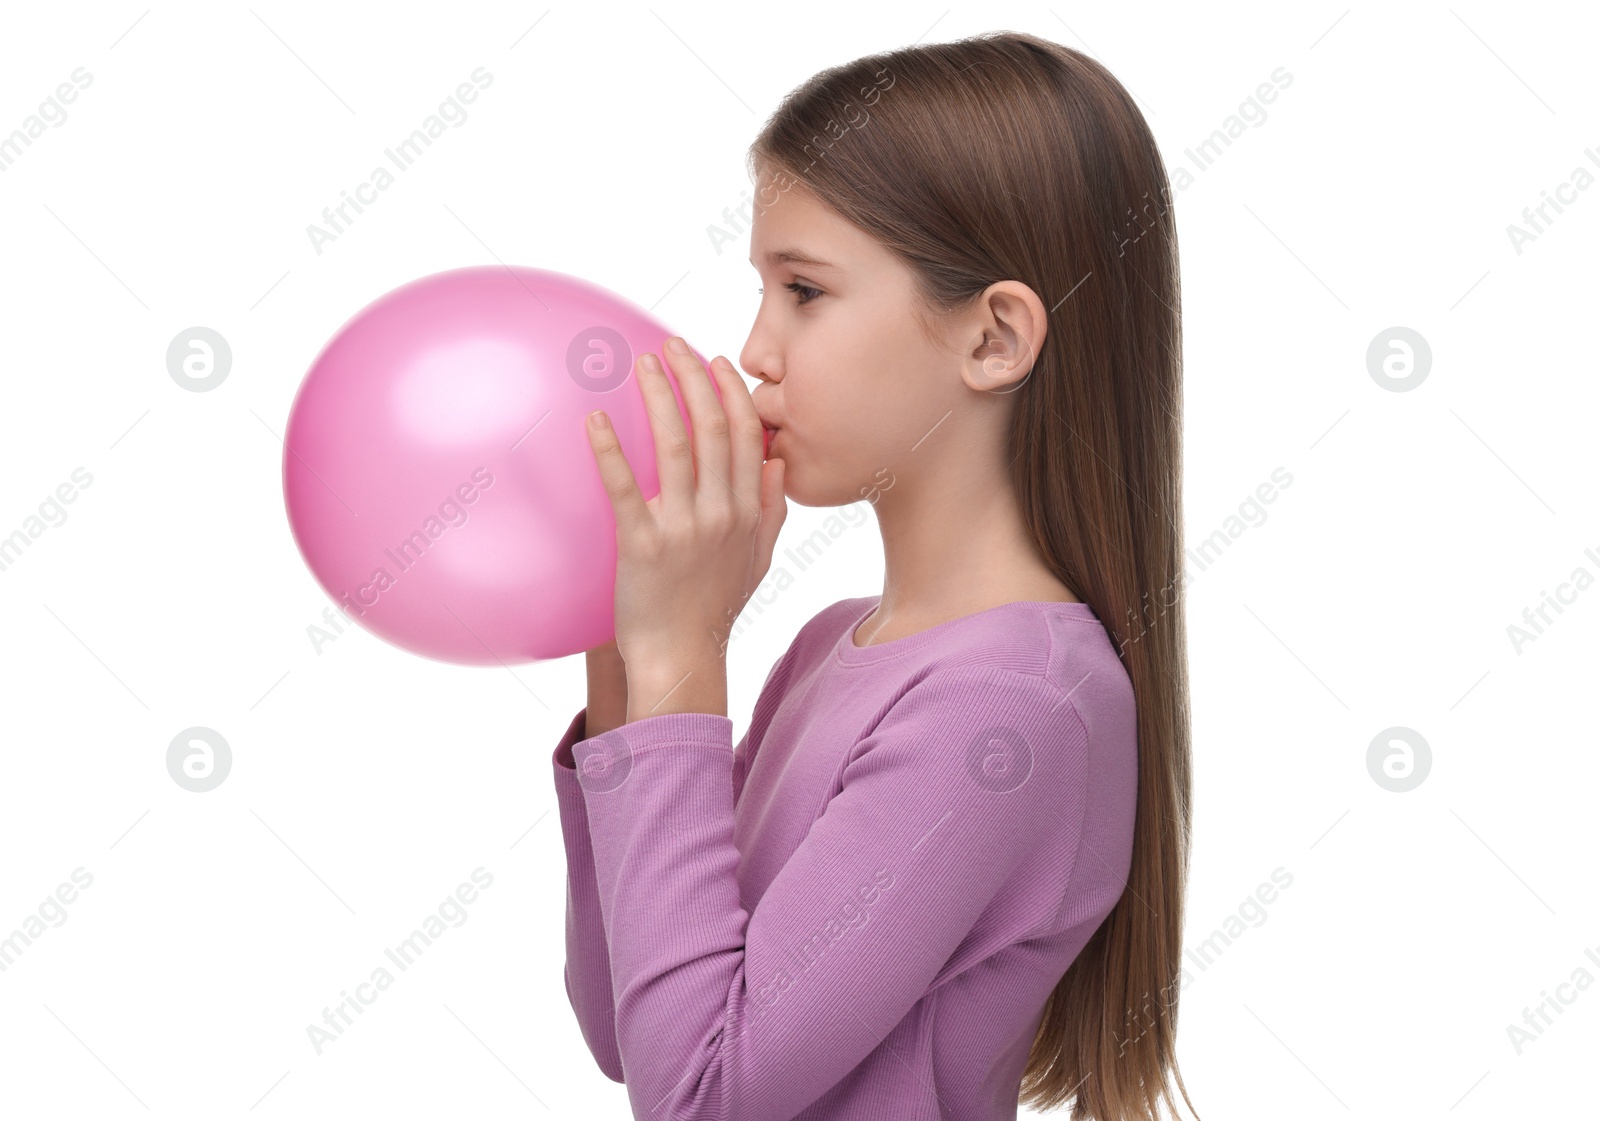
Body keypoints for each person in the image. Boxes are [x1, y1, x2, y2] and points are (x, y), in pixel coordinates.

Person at [553, 30, 1197, 1121]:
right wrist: (625, 665)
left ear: (993, 337)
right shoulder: (830, 645)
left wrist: (682, 658)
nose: (756, 349)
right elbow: (625, 1022)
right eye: (762, 288)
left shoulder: (1012, 702)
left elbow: (700, 1095)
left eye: (804, 290)